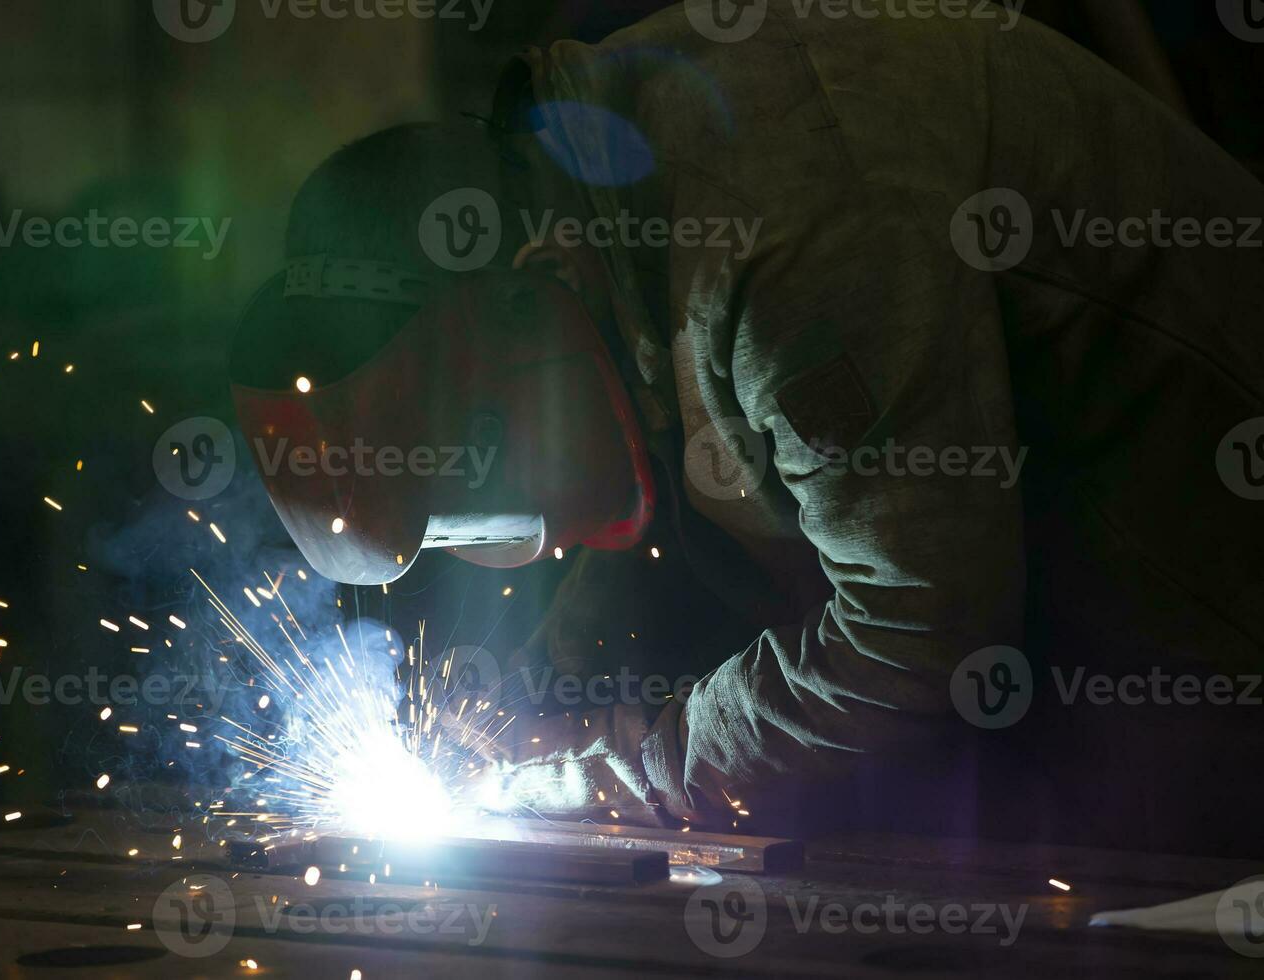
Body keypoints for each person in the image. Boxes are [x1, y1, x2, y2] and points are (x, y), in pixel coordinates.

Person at [229, 2, 1264, 849]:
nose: (528, 545)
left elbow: (916, 632)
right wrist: (545, 688)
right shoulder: (610, 208)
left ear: (527, 299)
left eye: (493, 506)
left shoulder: (783, 228)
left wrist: (608, 773)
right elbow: (711, 465)